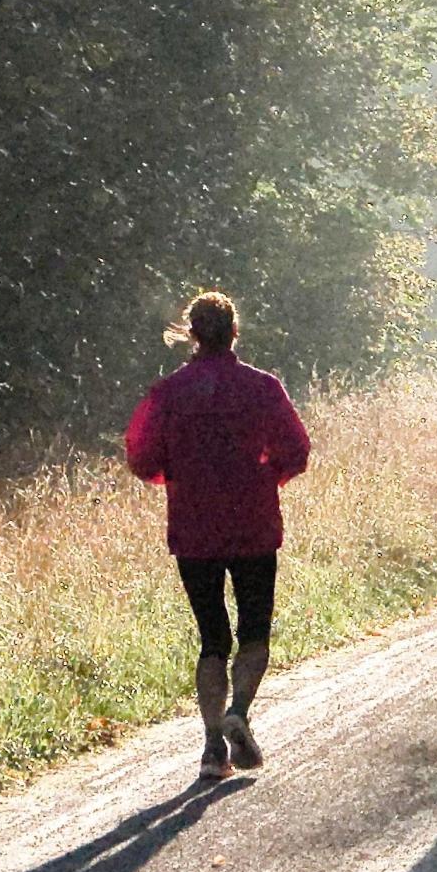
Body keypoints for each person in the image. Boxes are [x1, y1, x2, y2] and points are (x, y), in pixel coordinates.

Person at [126, 290, 312, 781]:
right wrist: (265, 475)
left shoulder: (167, 394)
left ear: (191, 333)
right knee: (254, 632)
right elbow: (296, 449)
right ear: (235, 332)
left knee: (212, 638)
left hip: (193, 529)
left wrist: (177, 476)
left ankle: (212, 748)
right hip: (253, 524)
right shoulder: (264, 388)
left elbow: (142, 458)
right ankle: (240, 713)